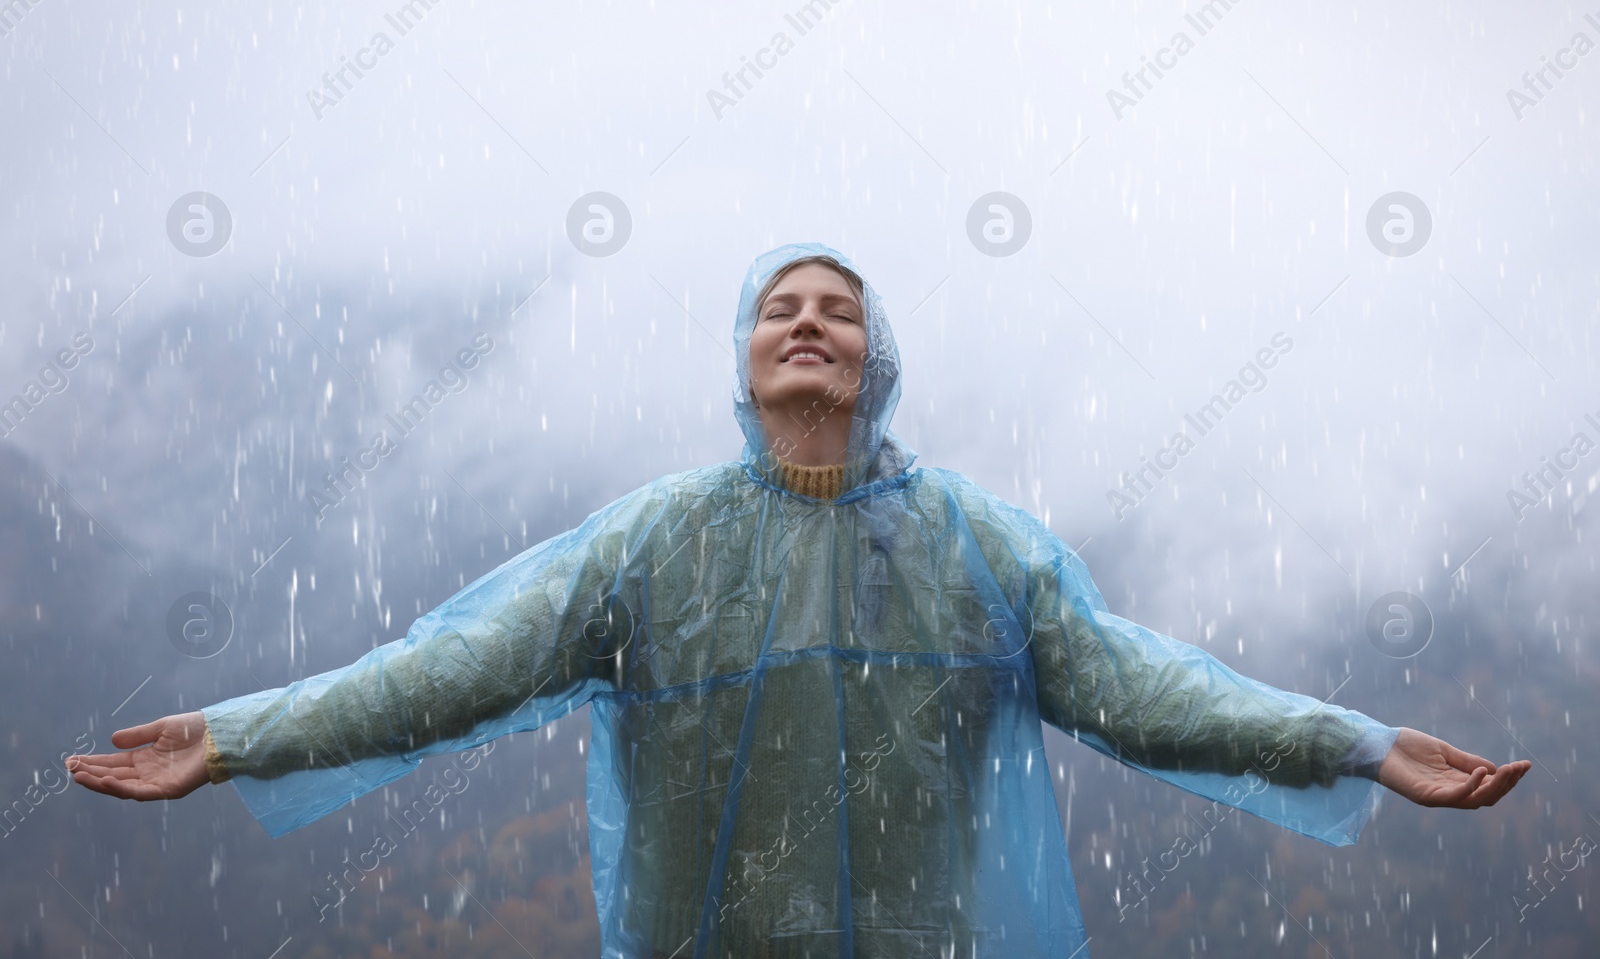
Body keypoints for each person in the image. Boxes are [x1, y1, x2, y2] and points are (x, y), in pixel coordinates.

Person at [66, 244, 1529, 958]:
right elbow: (443, 670)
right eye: (782, 306)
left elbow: (1147, 687)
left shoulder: (978, 546)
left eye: (839, 308)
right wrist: (243, 737)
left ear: (876, 358)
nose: (810, 321)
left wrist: (1352, 740)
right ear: (749, 360)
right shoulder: (655, 543)